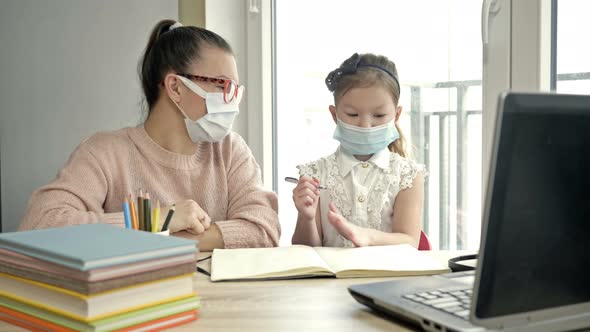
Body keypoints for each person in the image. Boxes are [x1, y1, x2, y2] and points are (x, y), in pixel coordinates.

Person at [19, 20, 280, 250]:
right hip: (136, 301)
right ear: (176, 87)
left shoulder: (230, 150)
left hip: (223, 301)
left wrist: (161, 236)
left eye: (235, 89)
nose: (231, 100)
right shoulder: (104, 152)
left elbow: (264, 229)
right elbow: (39, 225)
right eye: (223, 85)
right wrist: (158, 219)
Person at [291, 53, 426, 248]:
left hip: (388, 278)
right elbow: (305, 250)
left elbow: (409, 241)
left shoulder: (408, 175)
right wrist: (307, 217)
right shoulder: (315, 173)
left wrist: (366, 236)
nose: (365, 125)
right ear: (334, 114)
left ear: (396, 115)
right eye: (353, 114)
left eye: (379, 115)